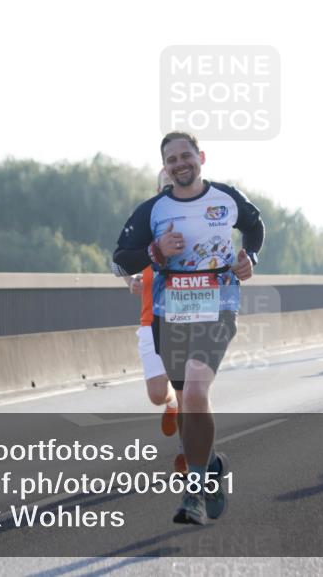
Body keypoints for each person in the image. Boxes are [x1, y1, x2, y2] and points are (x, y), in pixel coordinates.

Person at [112, 131, 264, 526]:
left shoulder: (226, 198)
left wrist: (251, 258)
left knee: (196, 389)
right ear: (165, 167)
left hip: (219, 302)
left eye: (186, 156)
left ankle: (193, 493)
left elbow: (255, 225)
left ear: (201, 157)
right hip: (171, 310)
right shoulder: (153, 210)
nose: (180, 164)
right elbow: (120, 259)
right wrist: (156, 250)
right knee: (186, 400)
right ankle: (209, 465)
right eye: (171, 159)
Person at [123, 170, 181, 469]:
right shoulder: (145, 223)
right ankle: (170, 404)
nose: (172, 191)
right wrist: (131, 280)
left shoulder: (196, 221)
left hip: (189, 319)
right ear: (159, 189)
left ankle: (191, 457)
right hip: (151, 321)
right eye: (166, 186)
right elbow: (122, 261)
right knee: (158, 395)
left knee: (192, 392)